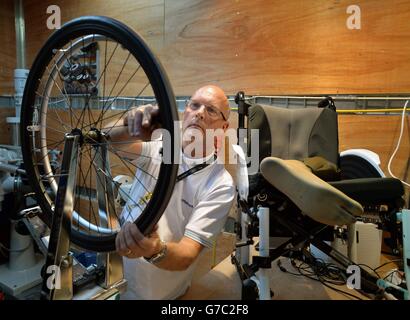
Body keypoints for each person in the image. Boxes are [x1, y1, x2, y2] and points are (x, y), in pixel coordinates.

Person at [108, 85, 235, 300]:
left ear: (223, 127)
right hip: (117, 282)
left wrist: (154, 250)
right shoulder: (158, 143)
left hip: (166, 295)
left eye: (211, 110)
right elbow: (111, 140)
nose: (200, 113)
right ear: (186, 111)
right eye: (195, 105)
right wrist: (128, 124)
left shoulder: (220, 184)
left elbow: (187, 253)